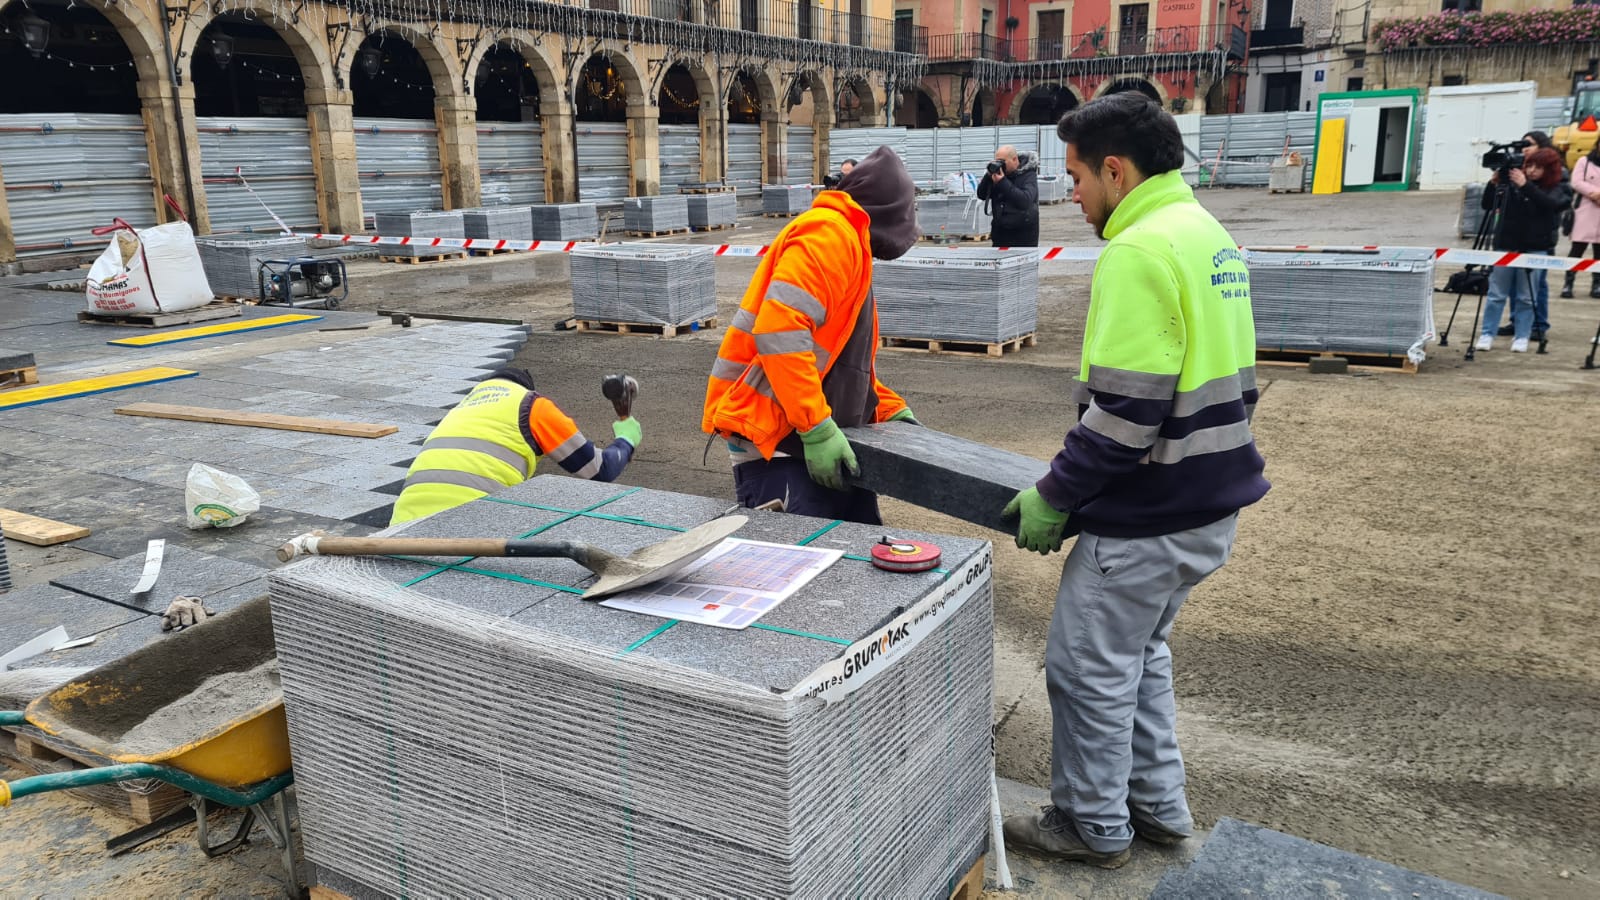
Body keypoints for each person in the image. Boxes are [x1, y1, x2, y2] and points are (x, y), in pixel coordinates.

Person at [999, 93, 1269, 869]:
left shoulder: (1140, 250)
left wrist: (1054, 495)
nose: (1072, 193)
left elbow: (1125, 413)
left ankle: (1090, 825)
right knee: (1139, 661)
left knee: (1086, 669)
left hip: (1150, 514)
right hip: (1207, 502)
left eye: (1078, 176)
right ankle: (1156, 809)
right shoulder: (1205, 234)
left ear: (1116, 170)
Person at [702, 145, 919, 525]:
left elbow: (836, 358)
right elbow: (780, 330)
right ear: (890, 215)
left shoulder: (850, 245)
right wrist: (816, 428)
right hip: (780, 443)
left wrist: (883, 406)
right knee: (801, 572)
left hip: (804, 436)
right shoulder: (831, 235)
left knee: (853, 564)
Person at [391, 367, 640, 525]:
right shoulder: (531, 405)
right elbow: (599, 470)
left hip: (401, 525)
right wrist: (626, 439)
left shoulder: (461, 409)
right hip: (468, 522)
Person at [1477, 147, 1572, 353]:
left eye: (1538, 167)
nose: (1532, 171)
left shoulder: (1557, 187)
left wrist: (1526, 185)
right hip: (1506, 244)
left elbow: (1552, 205)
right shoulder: (1510, 184)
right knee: (1496, 294)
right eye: (1529, 166)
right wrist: (1493, 185)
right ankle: (1487, 333)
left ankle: (1522, 336)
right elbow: (1488, 205)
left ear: (1549, 169)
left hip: (1535, 248)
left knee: (1526, 296)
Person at [976, 144, 1039, 247]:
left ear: (1014, 159)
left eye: (1002, 162)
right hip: (1000, 235)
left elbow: (1025, 201)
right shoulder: (998, 175)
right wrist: (988, 176)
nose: (1000, 165)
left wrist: (1002, 182)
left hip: (1023, 238)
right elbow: (981, 195)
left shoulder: (1028, 175)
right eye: (997, 161)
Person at [1562, 143, 1600, 299]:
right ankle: (1568, 283)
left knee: (1599, 253)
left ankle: (1597, 285)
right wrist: (1595, 193)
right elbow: (1576, 182)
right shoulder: (1584, 161)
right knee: (1577, 249)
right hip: (1585, 211)